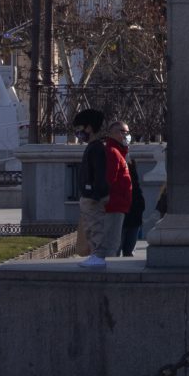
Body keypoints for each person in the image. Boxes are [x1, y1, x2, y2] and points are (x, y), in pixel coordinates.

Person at [74, 108, 112, 266]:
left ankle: (98, 254)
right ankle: (96, 254)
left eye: (80, 128)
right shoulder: (94, 147)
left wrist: (94, 193)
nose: (79, 133)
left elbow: (99, 174)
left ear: (89, 128)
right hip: (90, 196)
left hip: (93, 197)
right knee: (90, 226)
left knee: (95, 226)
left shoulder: (96, 148)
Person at [108, 124, 142, 257]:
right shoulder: (112, 153)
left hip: (132, 208)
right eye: (124, 132)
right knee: (114, 247)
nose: (127, 135)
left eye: (128, 132)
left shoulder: (125, 155)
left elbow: (134, 183)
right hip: (118, 206)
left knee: (128, 250)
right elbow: (110, 181)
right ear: (114, 133)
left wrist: (139, 204)